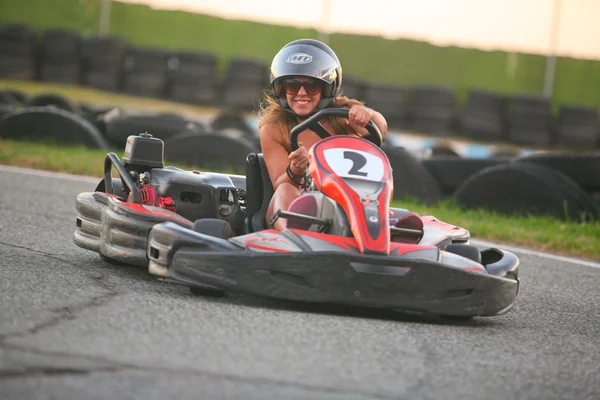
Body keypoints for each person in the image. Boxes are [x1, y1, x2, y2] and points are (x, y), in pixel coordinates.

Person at [258, 39, 388, 231]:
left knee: (374, 197)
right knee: (285, 189)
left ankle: (378, 232)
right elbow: (279, 184)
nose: (301, 93)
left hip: (346, 200)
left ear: (327, 88)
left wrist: (368, 114)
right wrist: (296, 168)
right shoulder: (273, 128)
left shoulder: (343, 115)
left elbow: (380, 127)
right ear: (282, 89)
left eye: (311, 86)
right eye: (293, 86)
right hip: (301, 205)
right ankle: (294, 235)